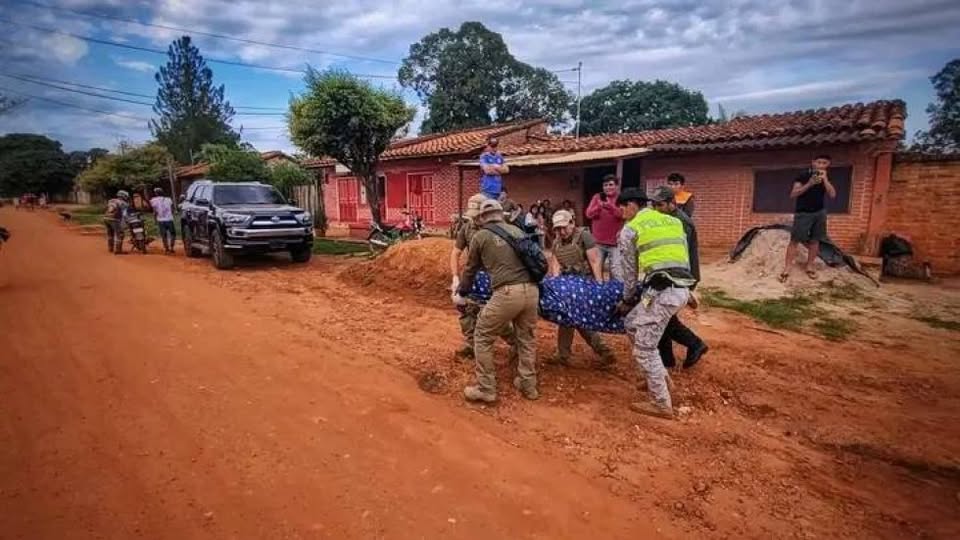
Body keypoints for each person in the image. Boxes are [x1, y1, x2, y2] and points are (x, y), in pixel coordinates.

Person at [615, 187, 696, 419]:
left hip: (663, 293)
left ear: (632, 205)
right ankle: (658, 378)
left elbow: (630, 273)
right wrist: (688, 290)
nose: (620, 211)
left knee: (644, 348)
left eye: (622, 206)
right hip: (676, 287)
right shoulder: (672, 221)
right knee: (632, 323)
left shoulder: (630, 229)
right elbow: (681, 258)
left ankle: (661, 403)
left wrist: (627, 300)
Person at [455, 199, 540, 402]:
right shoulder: (518, 231)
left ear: (483, 217)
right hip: (532, 292)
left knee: (482, 335)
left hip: (508, 293)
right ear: (501, 214)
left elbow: (470, 269)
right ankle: (528, 385)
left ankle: (486, 388)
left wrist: (462, 293)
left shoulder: (481, 236)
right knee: (526, 338)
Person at [450, 194, 517, 360]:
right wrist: (455, 277)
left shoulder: (498, 228)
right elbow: (455, 253)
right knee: (466, 309)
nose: (474, 219)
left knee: (494, 314)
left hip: (494, 276)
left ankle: (516, 343)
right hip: (473, 275)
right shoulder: (467, 228)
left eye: (476, 215)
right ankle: (471, 344)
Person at [649, 186, 709, 369]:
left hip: (680, 275)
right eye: (653, 204)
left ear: (671, 204)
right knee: (662, 316)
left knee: (663, 317)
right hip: (669, 274)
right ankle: (667, 358)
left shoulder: (681, 223)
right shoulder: (666, 219)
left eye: (659, 204)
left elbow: (679, 254)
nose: (655, 208)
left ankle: (695, 344)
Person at [546, 209, 615, 368]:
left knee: (575, 319)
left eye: (564, 227)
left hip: (584, 284)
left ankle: (602, 351)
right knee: (569, 318)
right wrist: (556, 285)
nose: (561, 231)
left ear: (572, 223)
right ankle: (566, 354)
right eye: (558, 229)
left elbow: (595, 260)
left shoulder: (584, 236)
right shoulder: (557, 242)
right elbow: (556, 264)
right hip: (569, 285)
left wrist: (599, 286)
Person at [780, 155, 837, 282]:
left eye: (824, 163)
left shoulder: (826, 177)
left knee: (815, 240)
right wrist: (810, 183)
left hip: (819, 213)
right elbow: (793, 194)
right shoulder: (803, 175)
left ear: (828, 165)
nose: (821, 165)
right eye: (819, 162)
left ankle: (809, 266)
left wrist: (825, 179)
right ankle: (787, 267)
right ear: (813, 162)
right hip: (803, 213)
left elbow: (832, 195)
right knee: (795, 240)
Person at [585, 174, 625, 278]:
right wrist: (598, 207)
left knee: (616, 272)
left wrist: (610, 207)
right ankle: (599, 291)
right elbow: (589, 214)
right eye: (605, 185)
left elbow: (623, 215)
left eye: (611, 184)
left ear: (617, 186)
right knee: (597, 271)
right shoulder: (598, 197)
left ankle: (614, 292)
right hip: (598, 242)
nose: (608, 187)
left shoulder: (622, 198)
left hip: (615, 242)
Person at [150, 187, 176, 254]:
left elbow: (155, 211)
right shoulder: (168, 199)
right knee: (173, 234)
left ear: (156, 193)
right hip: (169, 219)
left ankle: (166, 249)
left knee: (164, 235)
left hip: (160, 220)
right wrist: (171, 214)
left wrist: (155, 220)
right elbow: (172, 209)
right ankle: (172, 247)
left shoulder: (153, 200)